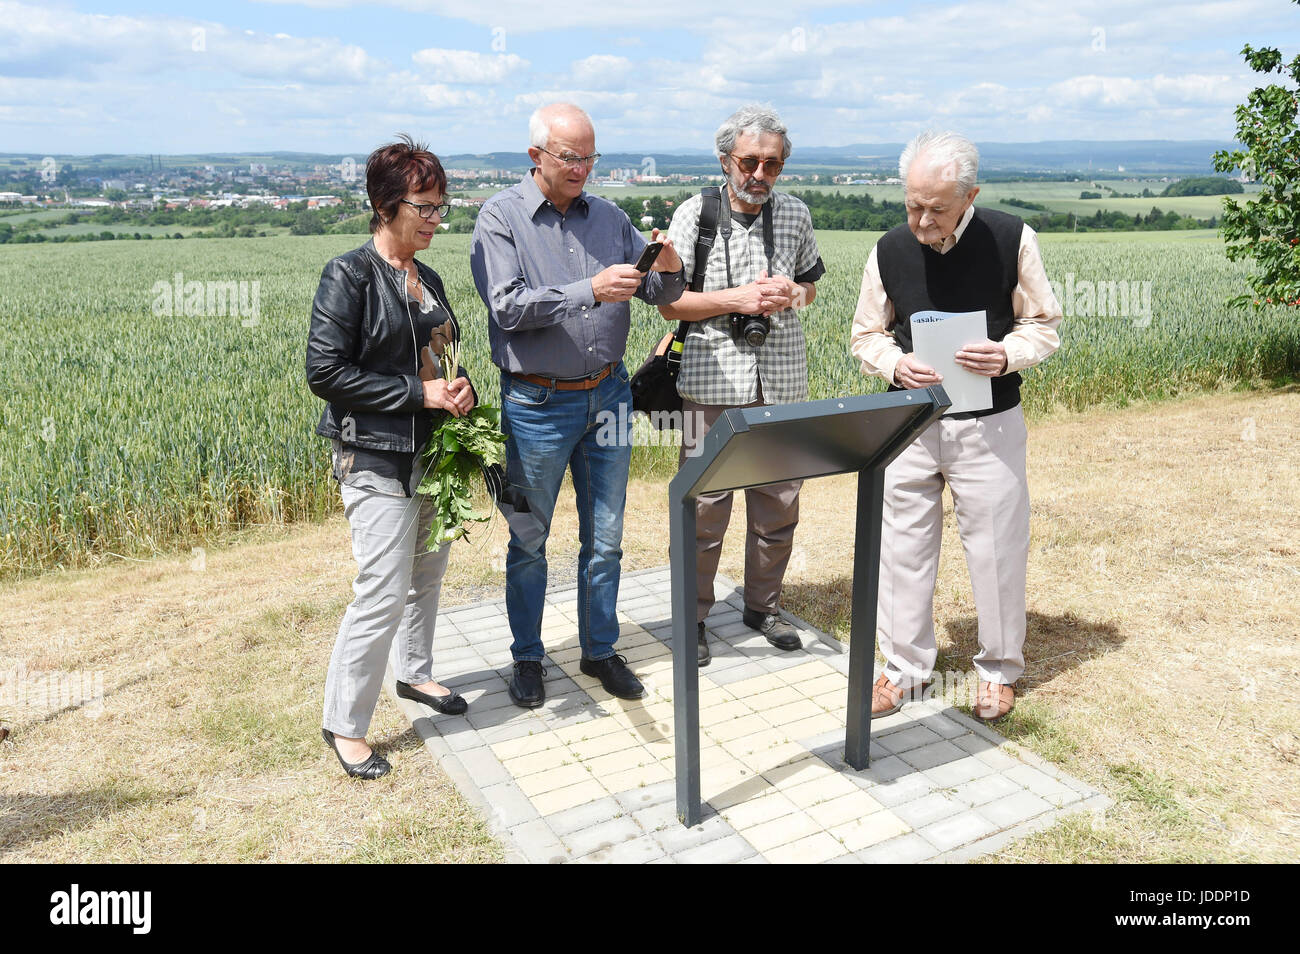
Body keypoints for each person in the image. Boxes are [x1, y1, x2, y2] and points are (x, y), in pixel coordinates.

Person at [470, 103, 686, 708]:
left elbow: (661, 293)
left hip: (609, 394)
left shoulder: (611, 217)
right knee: (530, 539)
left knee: (608, 538)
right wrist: (587, 290)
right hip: (537, 402)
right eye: (571, 157)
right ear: (536, 155)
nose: (583, 168)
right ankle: (529, 658)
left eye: (590, 156)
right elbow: (507, 307)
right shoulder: (500, 218)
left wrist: (667, 262)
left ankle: (599, 651)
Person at [849, 130, 1063, 722]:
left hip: (988, 426)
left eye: (935, 208)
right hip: (909, 423)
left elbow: (1043, 324)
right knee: (902, 547)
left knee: (996, 549)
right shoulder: (888, 248)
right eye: (912, 204)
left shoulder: (1012, 238)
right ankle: (903, 670)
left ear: (970, 194)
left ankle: (998, 672)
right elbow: (865, 334)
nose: (920, 220)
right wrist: (895, 363)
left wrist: (1007, 354)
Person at [306, 135, 476, 778]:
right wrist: (418, 392)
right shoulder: (348, 275)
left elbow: (440, 352)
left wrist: (458, 386)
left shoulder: (426, 277)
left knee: (427, 575)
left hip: (433, 453)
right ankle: (345, 723)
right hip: (375, 458)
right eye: (424, 207)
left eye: (440, 206)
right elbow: (324, 371)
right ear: (385, 205)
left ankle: (417, 676)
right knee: (380, 588)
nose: (435, 219)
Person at [659, 104, 825, 667]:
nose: (759, 174)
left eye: (772, 165)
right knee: (705, 505)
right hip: (709, 380)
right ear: (725, 159)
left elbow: (811, 289)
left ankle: (764, 606)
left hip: (780, 378)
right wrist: (737, 301)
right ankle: (695, 616)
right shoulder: (693, 214)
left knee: (779, 500)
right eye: (749, 161)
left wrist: (788, 296)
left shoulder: (796, 215)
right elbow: (668, 303)